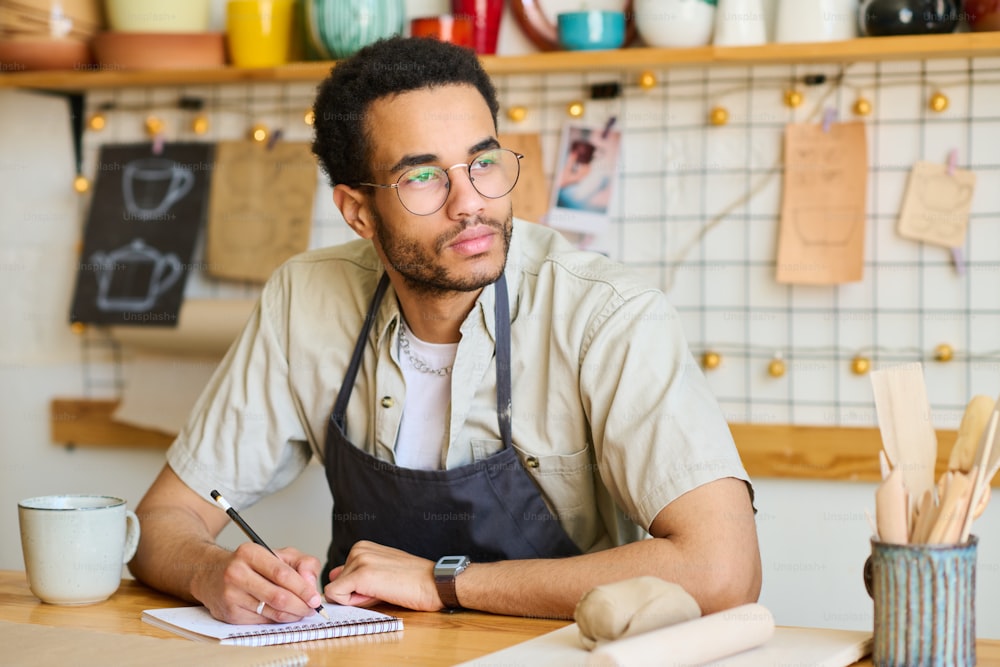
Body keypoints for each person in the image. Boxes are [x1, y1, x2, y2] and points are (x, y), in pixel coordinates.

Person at [128, 36, 761, 625]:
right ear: (358, 212)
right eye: (423, 177)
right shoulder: (304, 298)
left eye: (482, 162)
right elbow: (163, 519)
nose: (470, 203)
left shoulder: (607, 314)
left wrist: (442, 582)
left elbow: (723, 568)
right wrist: (216, 573)